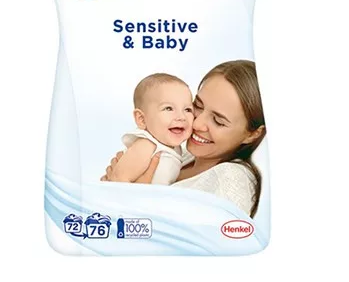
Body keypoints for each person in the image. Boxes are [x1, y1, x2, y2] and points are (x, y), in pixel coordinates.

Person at [102, 60, 266, 217]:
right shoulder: (180, 153)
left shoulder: (231, 180)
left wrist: (131, 200)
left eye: (218, 121)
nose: (196, 124)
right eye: (197, 106)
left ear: (253, 134)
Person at [108, 73, 194, 185]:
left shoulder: (176, 149)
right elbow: (118, 179)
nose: (181, 117)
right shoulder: (147, 146)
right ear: (142, 119)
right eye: (168, 108)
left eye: (187, 110)